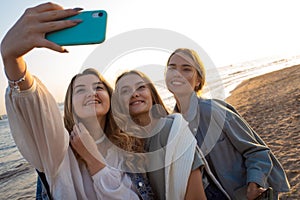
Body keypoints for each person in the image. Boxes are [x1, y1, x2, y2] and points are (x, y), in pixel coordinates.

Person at [1, 2, 154, 199]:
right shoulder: (59, 150)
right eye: (80, 89)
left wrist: (93, 160)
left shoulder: (128, 148)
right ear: (70, 105)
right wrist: (13, 60)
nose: (92, 93)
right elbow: (35, 105)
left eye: (98, 87)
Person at [164, 48, 290, 200]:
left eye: (186, 69)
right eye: (172, 67)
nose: (177, 73)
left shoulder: (214, 111)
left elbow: (257, 152)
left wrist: (253, 183)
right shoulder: (171, 126)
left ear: (198, 80)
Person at [112, 70, 208, 200]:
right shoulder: (126, 147)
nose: (134, 94)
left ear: (151, 93)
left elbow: (197, 195)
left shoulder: (172, 130)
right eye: (125, 91)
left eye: (141, 87)